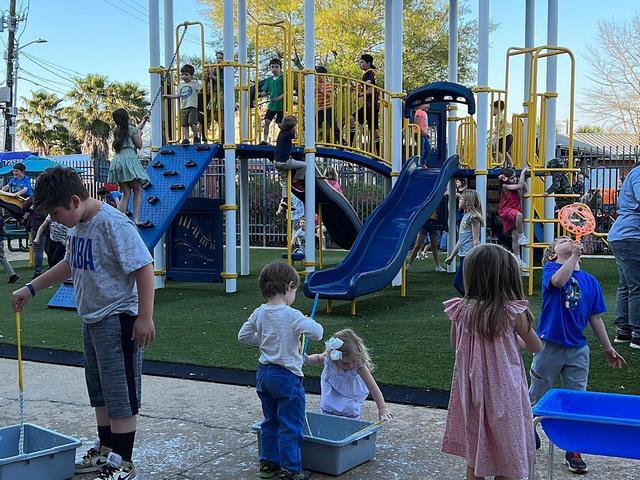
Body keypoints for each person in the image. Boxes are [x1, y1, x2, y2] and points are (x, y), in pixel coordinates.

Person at [11, 166, 156, 480]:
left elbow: (144, 267)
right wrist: (32, 287)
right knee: (100, 390)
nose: (56, 221)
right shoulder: (77, 227)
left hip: (119, 319)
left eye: (57, 214)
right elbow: (70, 263)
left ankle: (123, 461)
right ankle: (105, 450)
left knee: (120, 393)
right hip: (92, 319)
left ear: (75, 201)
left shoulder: (113, 224)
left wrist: (145, 317)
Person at [442, 243, 542, 480]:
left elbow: (457, 344)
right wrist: (510, 342)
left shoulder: (461, 310)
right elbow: (535, 346)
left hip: (472, 391)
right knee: (509, 452)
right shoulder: (513, 312)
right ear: (508, 277)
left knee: (476, 452)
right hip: (505, 392)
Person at [529, 236, 625, 474]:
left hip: (578, 350)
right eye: (562, 240)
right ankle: (527, 426)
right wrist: (574, 256)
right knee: (537, 394)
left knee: (577, 399)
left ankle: (573, 447)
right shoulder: (551, 269)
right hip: (549, 346)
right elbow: (558, 282)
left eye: (570, 238)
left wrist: (607, 347)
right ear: (553, 254)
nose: (568, 239)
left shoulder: (591, 281)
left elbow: (595, 317)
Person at [238, 262, 323, 480]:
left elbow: (243, 336)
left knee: (270, 421)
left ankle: (268, 465)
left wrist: (267, 339)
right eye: (295, 290)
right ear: (290, 286)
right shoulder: (292, 315)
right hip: (287, 378)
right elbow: (318, 333)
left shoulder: (259, 312)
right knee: (291, 425)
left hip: (264, 375)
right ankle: (292, 471)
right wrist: (309, 320)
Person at [305, 329, 392, 421]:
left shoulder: (359, 366)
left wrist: (382, 409)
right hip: (332, 394)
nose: (351, 365)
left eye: (353, 361)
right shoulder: (329, 359)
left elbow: (373, 388)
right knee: (328, 420)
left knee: (349, 422)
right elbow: (318, 358)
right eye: (345, 363)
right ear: (335, 359)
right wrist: (306, 359)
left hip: (350, 398)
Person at [608, 160, 640, 348]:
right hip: (631, 236)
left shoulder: (634, 173)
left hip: (623, 235)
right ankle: (637, 333)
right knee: (636, 286)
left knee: (627, 285)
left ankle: (624, 331)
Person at [107, 108, 151, 229]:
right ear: (126, 117)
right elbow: (139, 145)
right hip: (129, 160)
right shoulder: (130, 129)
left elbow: (133, 131)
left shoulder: (116, 131)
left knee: (126, 193)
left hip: (117, 161)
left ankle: (120, 220)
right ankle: (136, 219)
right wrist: (140, 135)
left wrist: (143, 121)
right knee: (137, 189)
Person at [445, 190, 484, 295]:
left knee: (457, 283)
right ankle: (472, 299)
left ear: (467, 202)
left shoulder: (474, 217)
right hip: (464, 255)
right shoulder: (465, 216)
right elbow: (461, 240)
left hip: (469, 255)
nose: (459, 200)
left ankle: (473, 299)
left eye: (461, 198)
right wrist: (452, 256)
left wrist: (477, 256)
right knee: (466, 283)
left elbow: (476, 240)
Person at [498, 166, 529, 269]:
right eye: (512, 178)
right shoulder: (505, 186)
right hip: (506, 210)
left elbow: (524, 192)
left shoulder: (515, 187)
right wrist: (523, 172)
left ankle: (518, 260)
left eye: (515, 177)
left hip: (514, 210)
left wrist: (525, 186)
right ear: (506, 179)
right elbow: (520, 186)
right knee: (519, 215)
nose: (515, 179)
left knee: (514, 237)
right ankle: (522, 235)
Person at [274, 115, 306, 213]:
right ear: (292, 126)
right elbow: (295, 136)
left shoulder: (282, 132)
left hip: (276, 161)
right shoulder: (289, 134)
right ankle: (295, 181)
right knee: (303, 165)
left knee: (284, 180)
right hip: (285, 162)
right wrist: (295, 128)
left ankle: (285, 200)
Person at [407, 197, 447, 272]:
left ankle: (438, 266)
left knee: (434, 246)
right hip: (424, 222)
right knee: (417, 245)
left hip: (433, 223)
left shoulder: (436, 200)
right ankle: (409, 265)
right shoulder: (426, 200)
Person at [163, 63, 201, 144]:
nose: (184, 77)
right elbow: (178, 95)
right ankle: (186, 139)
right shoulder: (181, 85)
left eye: (186, 75)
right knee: (184, 124)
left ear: (191, 75)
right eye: (182, 75)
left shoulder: (194, 84)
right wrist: (168, 96)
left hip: (192, 106)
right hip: (183, 107)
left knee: (191, 122)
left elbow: (201, 90)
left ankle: (196, 136)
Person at [350, 54, 380, 151]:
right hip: (373, 105)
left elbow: (371, 90)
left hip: (370, 105)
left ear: (368, 63)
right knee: (374, 129)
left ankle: (349, 145)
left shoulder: (369, 73)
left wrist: (360, 94)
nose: (360, 64)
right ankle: (379, 153)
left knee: (352, 118)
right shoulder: (370, 73)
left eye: (362, 62)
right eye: (359, 62)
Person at [260, 58, 285, 144]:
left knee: (280, 124)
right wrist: (260, 94)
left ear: (280, 68)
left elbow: (287, 91)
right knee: (267, 121)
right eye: (272, 67)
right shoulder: (269, 79)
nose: (274, 68)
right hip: (272, 105)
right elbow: (265, 91)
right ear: (270, 68)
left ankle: (289, 135)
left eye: (276, 67)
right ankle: (265, 140)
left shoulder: (283, 78)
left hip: (281, 106)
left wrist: (279, 97)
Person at [315, 66, 341, 145]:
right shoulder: (315, 85)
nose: (318, 78)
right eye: (316, 76)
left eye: (319, 76)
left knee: (333, 125)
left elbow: (329, 94)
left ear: (324, 76)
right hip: (320, 109)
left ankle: (341, 142)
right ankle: (310, 140)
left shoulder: (327, 84)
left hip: (328, 108)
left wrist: (321, 89)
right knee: (315, 124)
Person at [491, 100, 513, 167]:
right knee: (504, 153)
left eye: (492, 109)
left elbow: (504, 122)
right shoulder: (501, 115)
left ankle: (500, 165)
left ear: (497, 108)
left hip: (504, 136)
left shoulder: (499, 115)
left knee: (499, 151)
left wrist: (497, 130)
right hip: (508, 136)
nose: (492, 111)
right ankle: (511, 165)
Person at [0, 215, 19, 283]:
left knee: (2, 259)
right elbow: (4, 231)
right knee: (2, 258)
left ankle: (12, 275)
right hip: (0, 241)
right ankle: (12, 274)